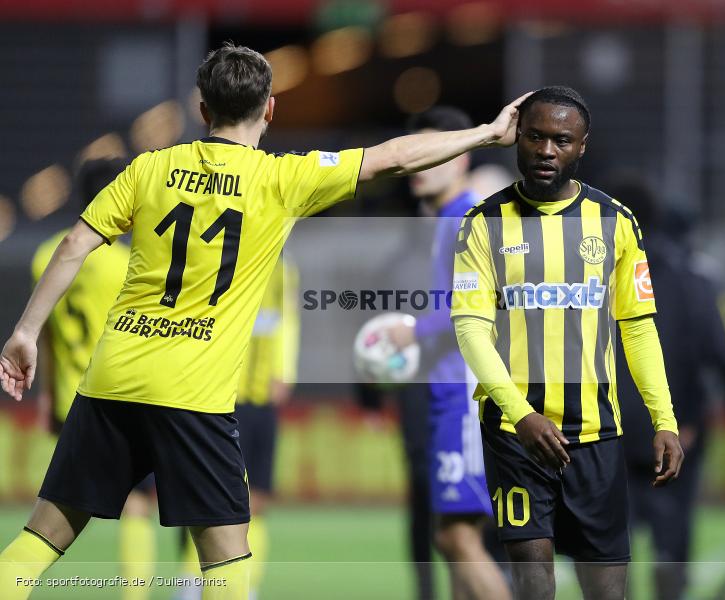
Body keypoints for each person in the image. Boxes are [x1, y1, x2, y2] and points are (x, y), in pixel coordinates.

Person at [0, 42, 530, 600]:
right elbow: (392, 156)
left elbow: (75, 244)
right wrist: (487, 134)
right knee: (228, 561)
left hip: (113, 378)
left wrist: (25, 333)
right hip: (192, 394)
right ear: (271, 108)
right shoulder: (281, 180)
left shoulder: (150, 167)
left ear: (202, 110)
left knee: (42, 537)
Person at [450, 86, 684, 600]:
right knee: (534, 585)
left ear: (582, 146)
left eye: (561, 140)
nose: (546, 151)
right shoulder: (482, 224)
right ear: (518, 138)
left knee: (606, 591)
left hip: (597, 435)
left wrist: (664, 419)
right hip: (516, 436)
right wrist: (520, 414)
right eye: (535, 137)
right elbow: (470, 329)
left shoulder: (616, 222)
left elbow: (638, 328)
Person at [604, 174, 725, 600]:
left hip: (604, 426)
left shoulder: (589, 277)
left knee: (612, 536)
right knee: (672, 532)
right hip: (675, 425)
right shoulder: (695, 277)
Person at [387, 106, 511, 600]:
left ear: (461, 158)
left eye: (433, 155)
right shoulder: (446, 219)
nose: (420, 166)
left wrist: (413, 331)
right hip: (452, 391)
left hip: (463, 394)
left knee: (455, 536)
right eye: (416, 156)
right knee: (460, 534)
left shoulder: (462, 216)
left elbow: (482, 303)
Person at [32, 159, 159, 600]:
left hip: (70, 398)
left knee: (54, 519)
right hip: (121, 397)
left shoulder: (45, 254)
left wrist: (47, 396)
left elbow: (45, 336)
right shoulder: (126, 263)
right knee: (139, 505)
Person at [176, 257, 299, 600]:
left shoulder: (284, 269)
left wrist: (285, 371)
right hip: (222, 396)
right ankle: (190, 586)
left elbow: (288, 322)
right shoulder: (222, 258)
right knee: (213, 500)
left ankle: (247, 587)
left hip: (261, 398)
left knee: (256, 500)